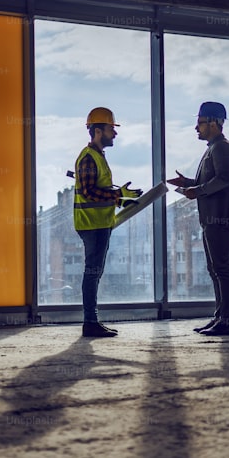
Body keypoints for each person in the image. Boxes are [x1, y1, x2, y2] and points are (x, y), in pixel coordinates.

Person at [167, 101, 229, 336]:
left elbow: (224, 179)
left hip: (221, 217)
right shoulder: (213, 148)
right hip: (212, 218)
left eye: (200, 123)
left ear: (214, 123)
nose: (196, 128)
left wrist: (196, 191)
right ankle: (220, 316)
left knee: (222, 269)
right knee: (215, 268)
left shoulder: (222, 147)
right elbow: (212, 179)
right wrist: (188, 182)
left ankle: (227, 321)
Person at [74, 107, 142, 338]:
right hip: (91, 224)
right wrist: (117, 197)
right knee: (92, 272)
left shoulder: (98, 157)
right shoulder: (88, 157)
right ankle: (90, 322)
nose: (115, 133)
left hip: (99, 223)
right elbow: (89, 191)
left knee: (95, 272)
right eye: (111, 129)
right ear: (97, 131)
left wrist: (120, 198)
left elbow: (99, 189)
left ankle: (91, 321)